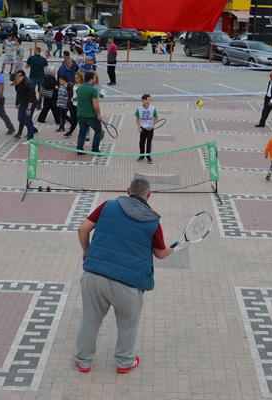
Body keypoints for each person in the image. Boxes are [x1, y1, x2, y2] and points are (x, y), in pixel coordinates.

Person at [73, 177, 173, 374]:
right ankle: (124, 362)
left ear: (128, 191)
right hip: (128, 285)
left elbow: (83, 228)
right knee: (128, 325)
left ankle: (83, 362)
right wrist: (172, 249)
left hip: (94, 276)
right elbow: (161, 254)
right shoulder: (153, 222)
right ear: (149, 195)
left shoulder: (108, 205)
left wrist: (87, 249)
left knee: (90, 321)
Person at [76, 71, 103, 153]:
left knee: (82, 132)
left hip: (80, 114)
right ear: (91, 79)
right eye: (94, 78)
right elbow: (96, 105)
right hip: (91, 115)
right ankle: (95, 149)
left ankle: (79, 149)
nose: (95, 79)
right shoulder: (93, 90)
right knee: (98, 131)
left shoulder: (79, 89)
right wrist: (98, 114)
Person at [11, 70, 38, 143]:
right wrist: (17, 103)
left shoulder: (28, 83)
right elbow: (18, 94)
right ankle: (34, 130)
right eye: (14, 82)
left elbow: (31, 98)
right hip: (23, 103)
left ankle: (30, 138)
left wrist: (29, 109)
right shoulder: (17, 84)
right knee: (20, 118)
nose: (15, 83)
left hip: (30, 104)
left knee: (27, 120)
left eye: (16, 81)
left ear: (19, 77)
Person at [135, 94, 159, 164]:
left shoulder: (153, 108)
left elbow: (157, 118)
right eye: (147, 100)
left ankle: (148, 157)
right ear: (143, 100)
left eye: (149, 100)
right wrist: (138, 128)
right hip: (143, 129)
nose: (148, 101)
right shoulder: (139, 109)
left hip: (150, 130)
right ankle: (142, 156)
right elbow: (137, 119)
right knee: (141, 143)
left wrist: (151, 125)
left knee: (148, 143)